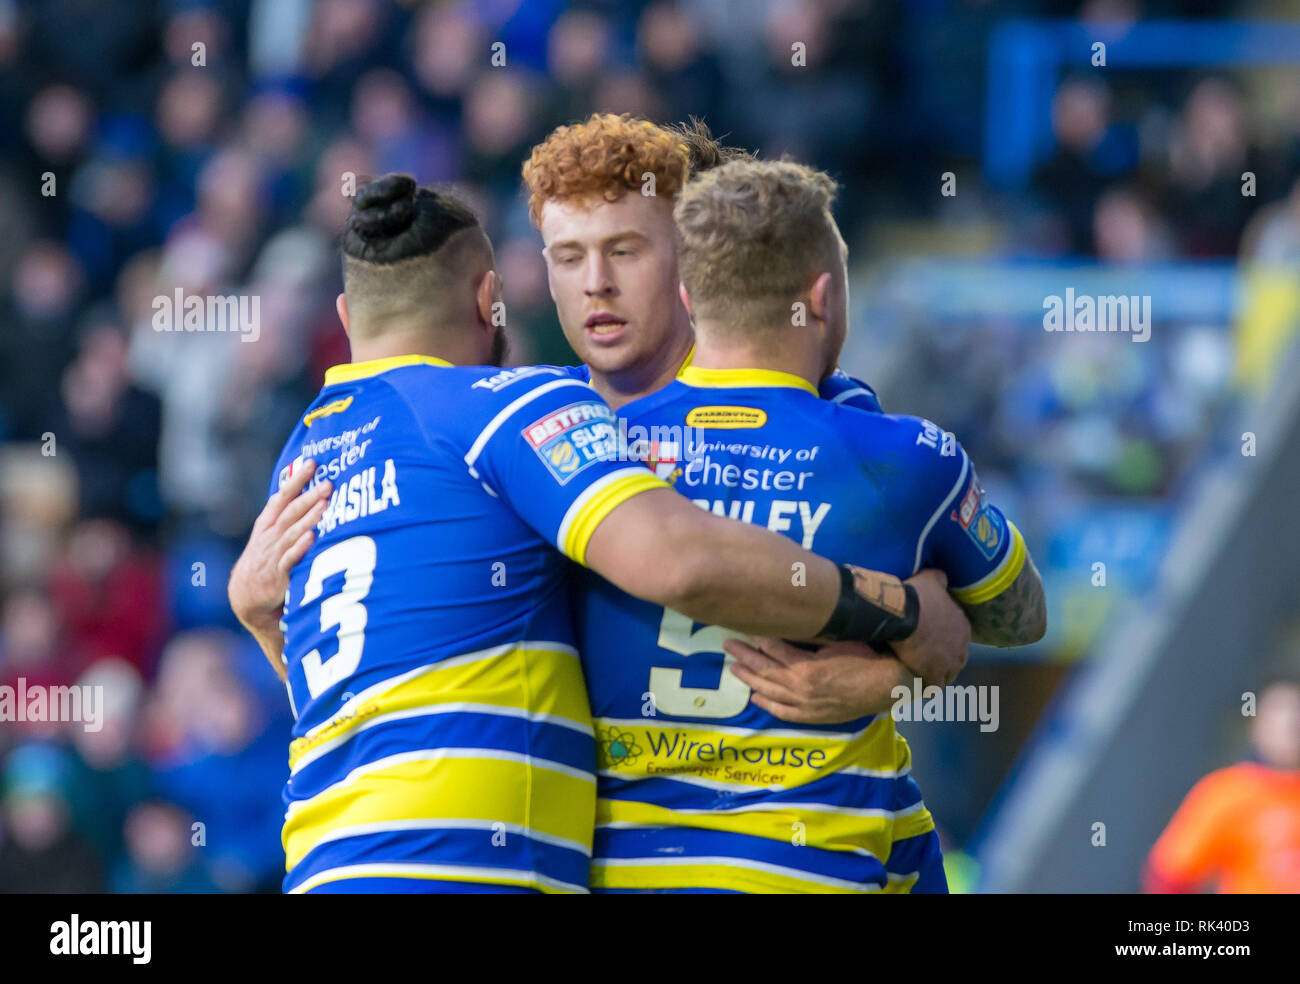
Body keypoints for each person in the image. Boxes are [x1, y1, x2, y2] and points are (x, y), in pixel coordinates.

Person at [228, 174, 967, 894]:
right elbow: (679, 563)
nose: (596, 285)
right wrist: (899, 614)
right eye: (568, 256)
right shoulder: (518, 412)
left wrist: (262, 619)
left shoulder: (309, 449)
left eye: (625, 250)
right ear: (496, 299)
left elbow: (354, 697)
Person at [574, 159, 1046, 893]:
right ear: (823, 298)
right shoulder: (906, 459)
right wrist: (898, 669)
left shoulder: (587, 454)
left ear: (689, 298)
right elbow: (1021, 619)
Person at [1144, 675, 1300, 893]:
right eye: (1280, 714)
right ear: (1256, 725)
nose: (1292, 725)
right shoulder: (1228, 792)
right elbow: (1171, 873)